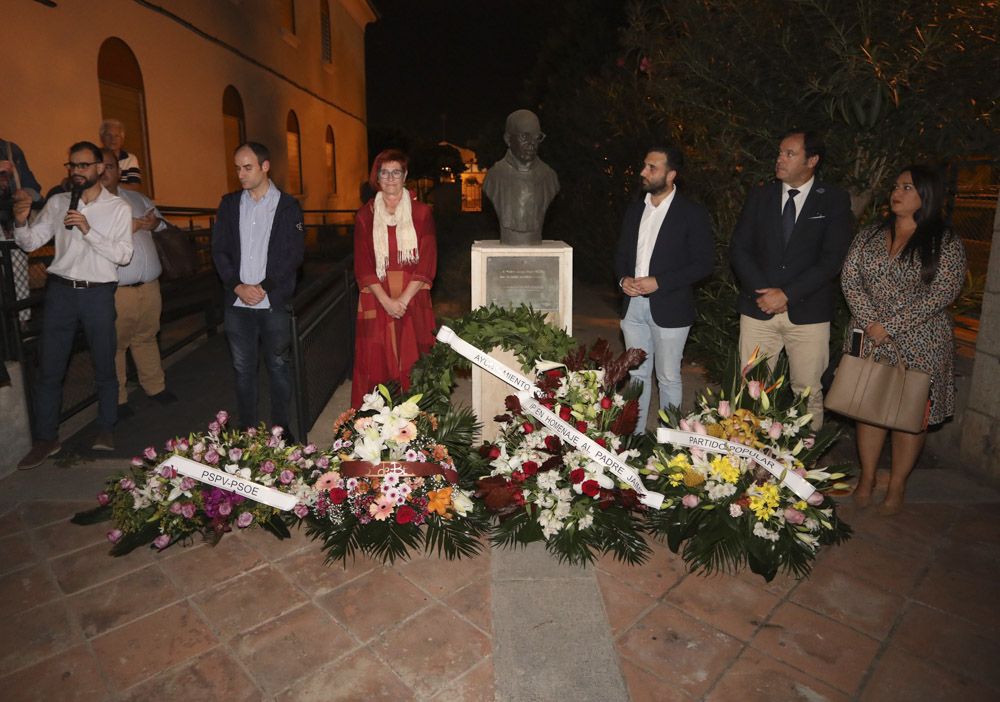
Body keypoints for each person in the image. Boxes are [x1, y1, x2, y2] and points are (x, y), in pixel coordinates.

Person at [840, 165, 966, 515]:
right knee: (868, 411)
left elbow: (943, 292)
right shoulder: (869, 235)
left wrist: (892, 325)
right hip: (870, 336)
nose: (897, 192)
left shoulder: (944, 241)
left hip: (921, 340)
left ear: (925, 194)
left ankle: (896, 487)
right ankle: (867, 479)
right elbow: (850, 279)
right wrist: (871, 323)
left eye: (907, 187)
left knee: (909, 415)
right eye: (896, 186)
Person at [12, 141, 133, 468]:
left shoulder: (118, 208)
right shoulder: (57, 202)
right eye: (72, 166)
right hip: (61, 293)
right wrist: (21, 221)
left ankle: (106, 426)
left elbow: (124, 255)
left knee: (104, 363)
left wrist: (87, 229)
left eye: (83, 165)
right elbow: (31, 242)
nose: (77, 171)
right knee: (50, 367)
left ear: (99, 168)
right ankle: (46, 438)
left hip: (97, 293)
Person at [730, 129, 853, 428]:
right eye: (780, 152)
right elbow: (739, 249)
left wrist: (786, 294)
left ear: (812, 160)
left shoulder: (833, 200)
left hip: (808, 314)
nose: (780, 159)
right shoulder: (761, 195)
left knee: (807, 393)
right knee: (751, 390)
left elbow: (831, 259)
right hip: (759, 309)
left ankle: (804, 465)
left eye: (789, 154)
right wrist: (765, 292)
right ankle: (742, 467)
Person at [614, 146, 714, 432]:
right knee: (637, 375)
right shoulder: (635, 209)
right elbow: (621, 254)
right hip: (633, 307)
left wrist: (660, 281)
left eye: (652, 168)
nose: (643, 172)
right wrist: (623, 280)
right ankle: (634, 438)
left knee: (668, 376)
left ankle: (669, 443)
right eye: (644, 166)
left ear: (671, 175)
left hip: (671, 306)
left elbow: (704, 263)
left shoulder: (691, 213)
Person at [213, 142, 304, 435]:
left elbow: (293, 254)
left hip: (273, 302)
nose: (241, 174)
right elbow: (220, 251)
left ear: (265, 166)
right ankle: (248, 429)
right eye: (237, 168)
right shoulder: (229, 204)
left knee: (278, 367)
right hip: (237, 305)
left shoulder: (287, 206)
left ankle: (280, 428)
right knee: (243, 370)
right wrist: (238, 286)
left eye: (247, 167)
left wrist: (264, 287)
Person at [351, 149, 436, 407]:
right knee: (377, 360)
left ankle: (419, 422)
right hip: (377, 297)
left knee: (414, 360)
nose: (390, 178)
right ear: (377, 176)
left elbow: (427, 260)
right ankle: (377, 422)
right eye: (384, 173)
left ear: (405, 175)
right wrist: (387, 301)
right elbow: (363, 264)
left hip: (413, 295)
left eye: (395, 172)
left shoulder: (421, 213)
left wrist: (403, 300)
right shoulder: (365, 215)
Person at [98, 148, 176, 414]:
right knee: (115, 345)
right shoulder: (91, 203)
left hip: (149, 285)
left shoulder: (137, 197)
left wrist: (154, 224)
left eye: (110, 166)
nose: (105, 171)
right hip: (117, 288)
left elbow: (163, 226)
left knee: (146, 336)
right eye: (101, 166)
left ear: (119, 171)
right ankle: (118, 399)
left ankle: (156, 387)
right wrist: (129, 225)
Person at [483, 109, 560, 245]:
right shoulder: (494, 176)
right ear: (508, 139)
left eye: (537, 137)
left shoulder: (549, 177)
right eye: (525, 136)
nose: (532, 143)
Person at [99, 119, 142, 189]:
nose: (113, 139)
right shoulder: (95, 158)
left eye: (117, 136)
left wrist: (109, 185)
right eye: (108, 135)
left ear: (122, 139)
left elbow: (135, 187)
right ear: (101, 138)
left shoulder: (130, 159)